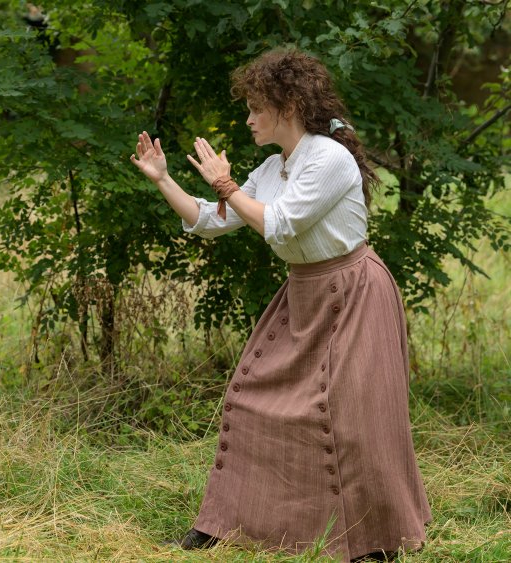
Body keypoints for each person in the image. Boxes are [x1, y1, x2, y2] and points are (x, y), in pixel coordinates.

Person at [130, 48, 430, 561]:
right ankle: (227, 523)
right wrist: (163, 179)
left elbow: (280, 223)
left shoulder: (329, 158)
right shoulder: (273, 166)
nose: (247, 118)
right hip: (304, 292)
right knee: (250, 400)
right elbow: (214, 220)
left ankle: (372, 541)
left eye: (255, 107)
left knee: (354, 419)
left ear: (287, 106)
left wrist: (224, 183)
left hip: (354, 292)